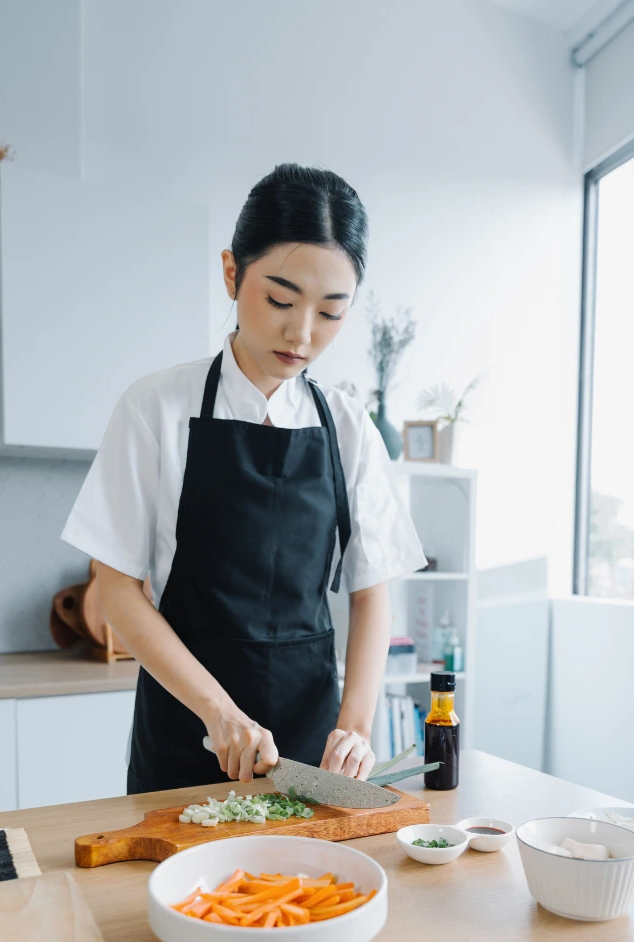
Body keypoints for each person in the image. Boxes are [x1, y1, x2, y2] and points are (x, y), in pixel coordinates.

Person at [61, 163, 426, 793]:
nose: (302, 334)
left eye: (331, 313)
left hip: (309, 749)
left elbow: (372, 592)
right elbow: (116, 588)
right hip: (187, 733)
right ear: (232, 273)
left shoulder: (348, 427)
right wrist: (220, 713)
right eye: (280, 300)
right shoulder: (156, 407)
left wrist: (356, 728)